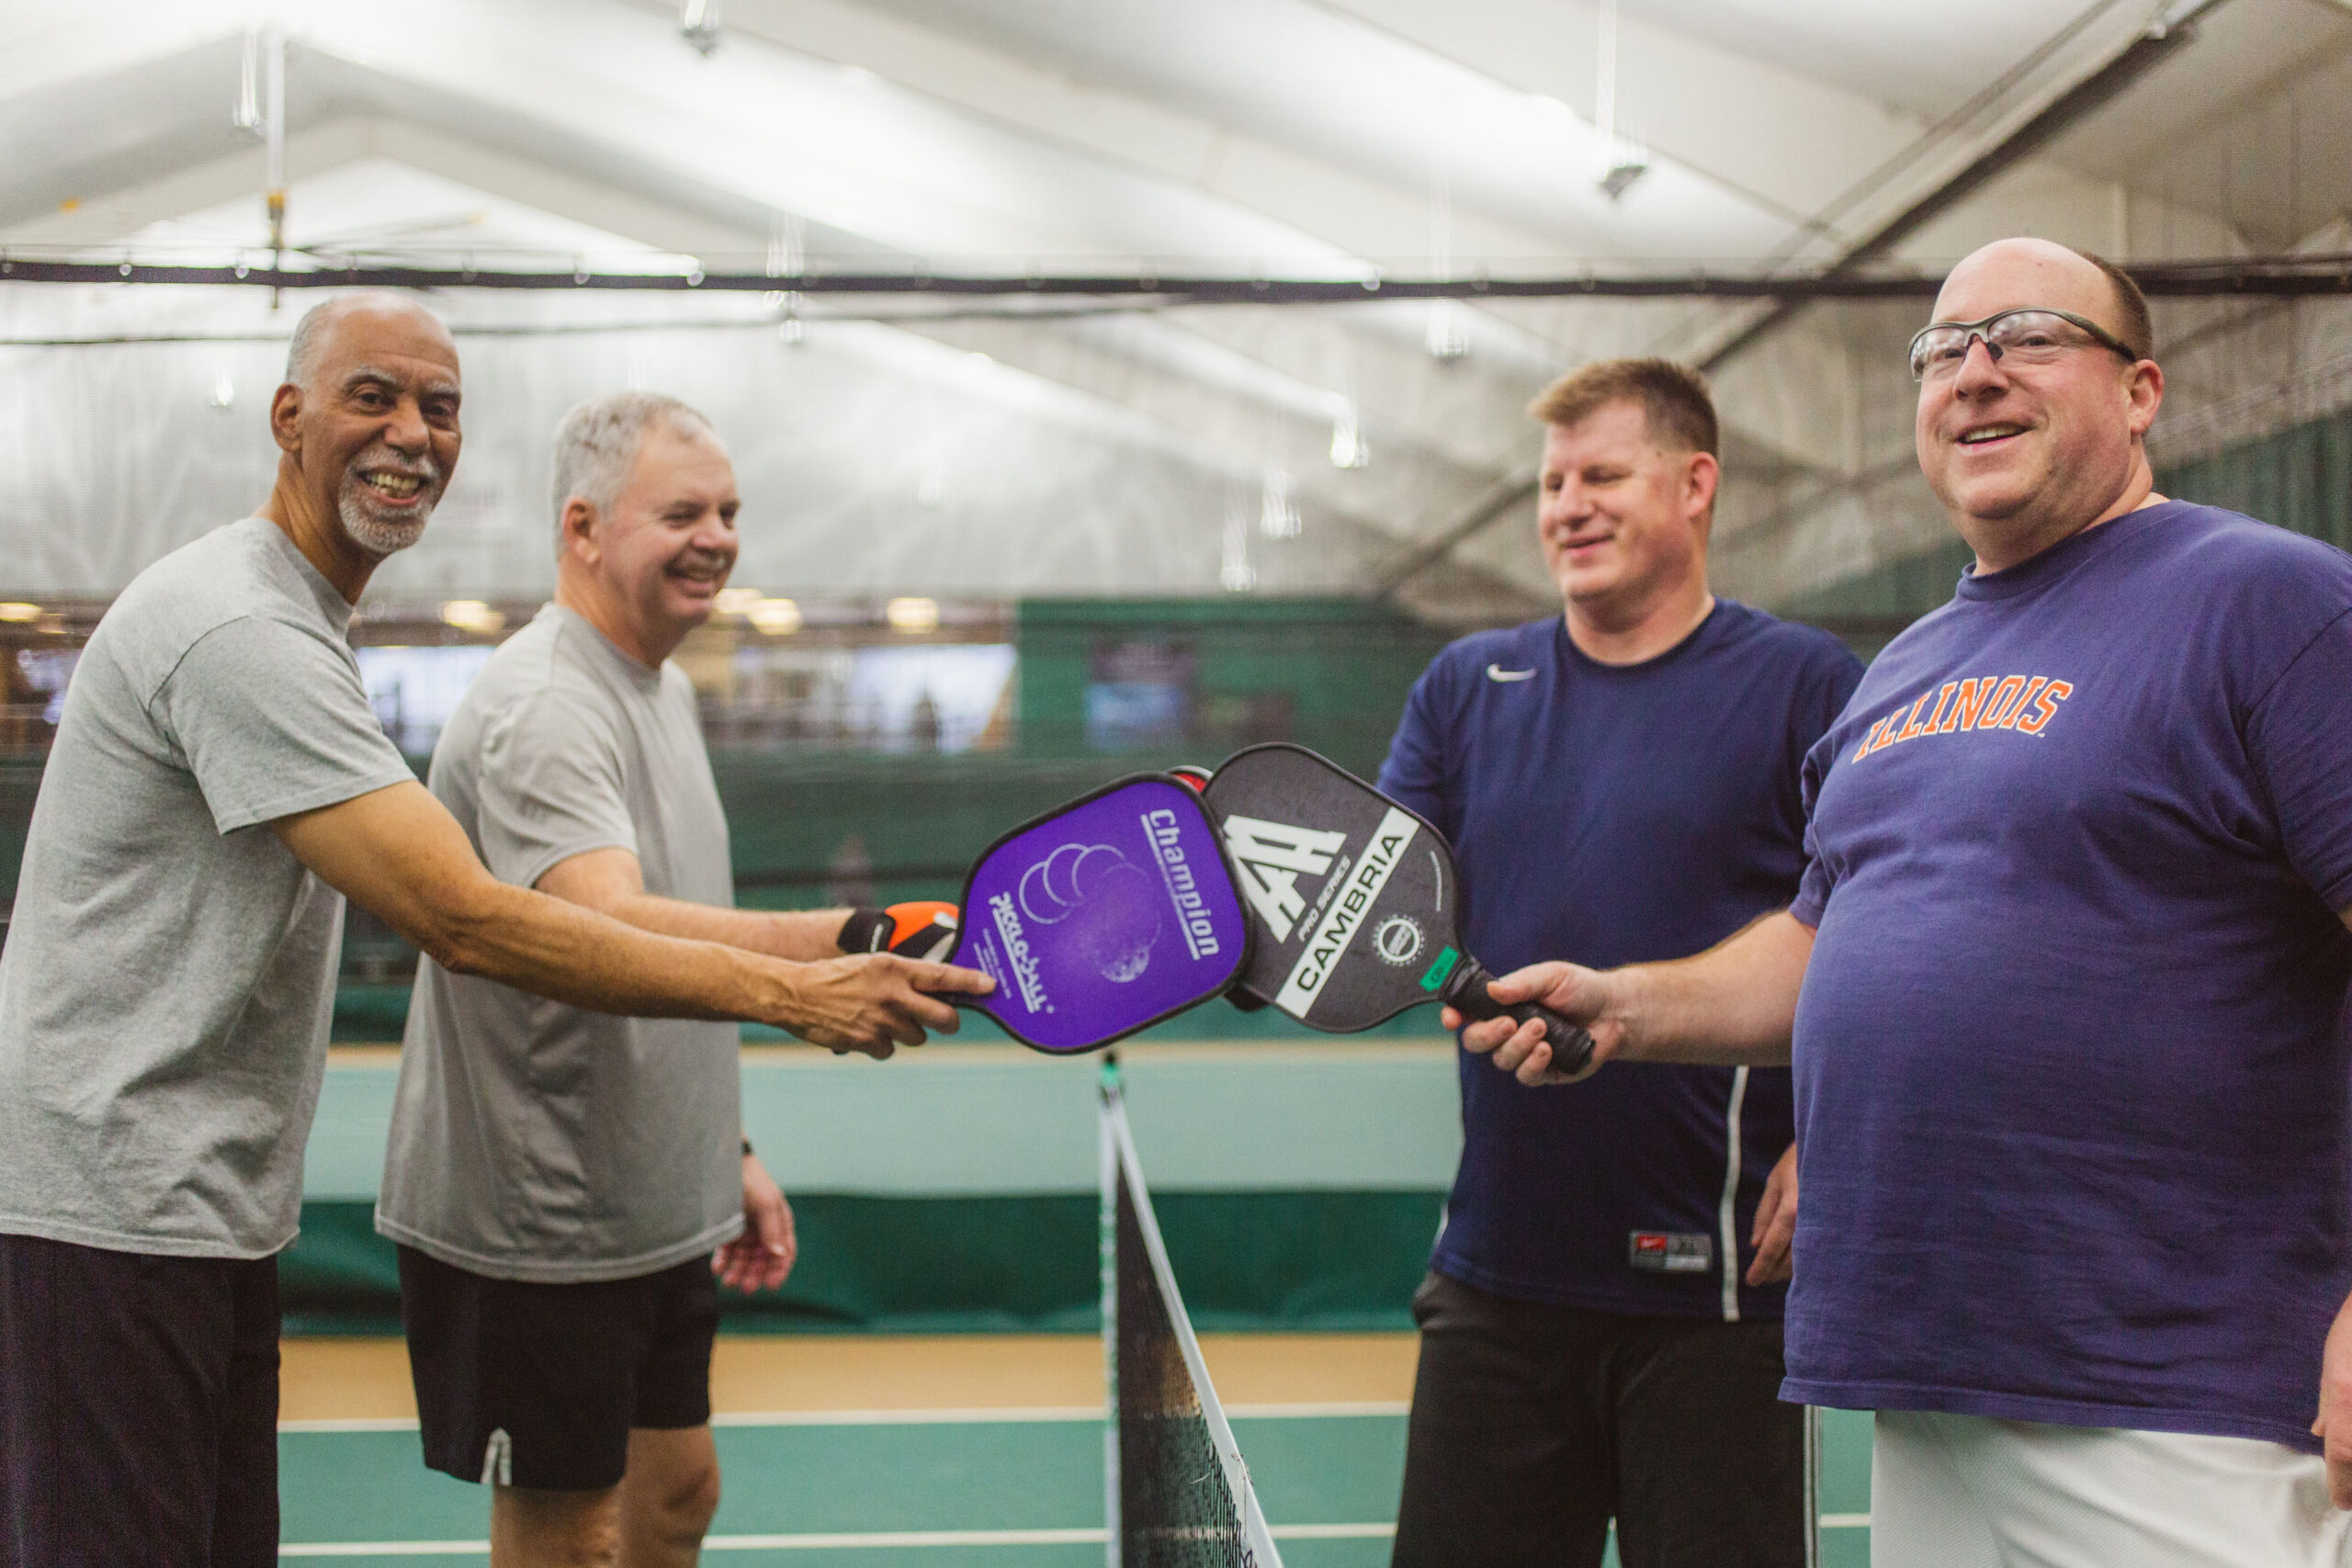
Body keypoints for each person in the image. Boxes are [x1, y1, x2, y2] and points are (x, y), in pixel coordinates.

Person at [0, 294, 988, 1568]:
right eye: (374, 396)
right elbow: (466, 916)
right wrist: (803, 986)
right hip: (107, 1205)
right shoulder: (244, 626)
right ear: (287, 419)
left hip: (204, 1207)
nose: (413, 432)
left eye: (442, 406)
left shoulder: (306, 622)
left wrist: (726, 1117)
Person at [1464, 239, 2352, 1565]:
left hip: (2187, 1401)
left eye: (2032, 336)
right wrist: (1626, 1005)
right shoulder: (1903, 670)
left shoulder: (2271, 601)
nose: (1977, 370)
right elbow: (1817, 947)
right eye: (1945, 350)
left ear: (2141, 390)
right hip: (1922, 1383)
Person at [377, 392, 946, 1566]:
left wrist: (721, 1152)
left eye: (728, 510)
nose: (718, 537)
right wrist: (838, 945)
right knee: (572, 1536)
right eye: (681, 511)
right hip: (538, 1220)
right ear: (582, 528)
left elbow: (668, 944)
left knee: (676, 1497)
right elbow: (611, 930)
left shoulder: (662, 686)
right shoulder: (545, 703)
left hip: (647, 1202)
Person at [1381, 358, 1861, 1568]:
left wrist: (1838, 1132)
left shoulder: (1806, 684)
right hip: (1497, 1279)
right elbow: (1371, 906)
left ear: (1696, 484)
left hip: (1715, 1302)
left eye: (1603, 474)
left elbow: (1875, 931)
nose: (1568, 505)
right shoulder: (1462, 688)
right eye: (1551, 482)